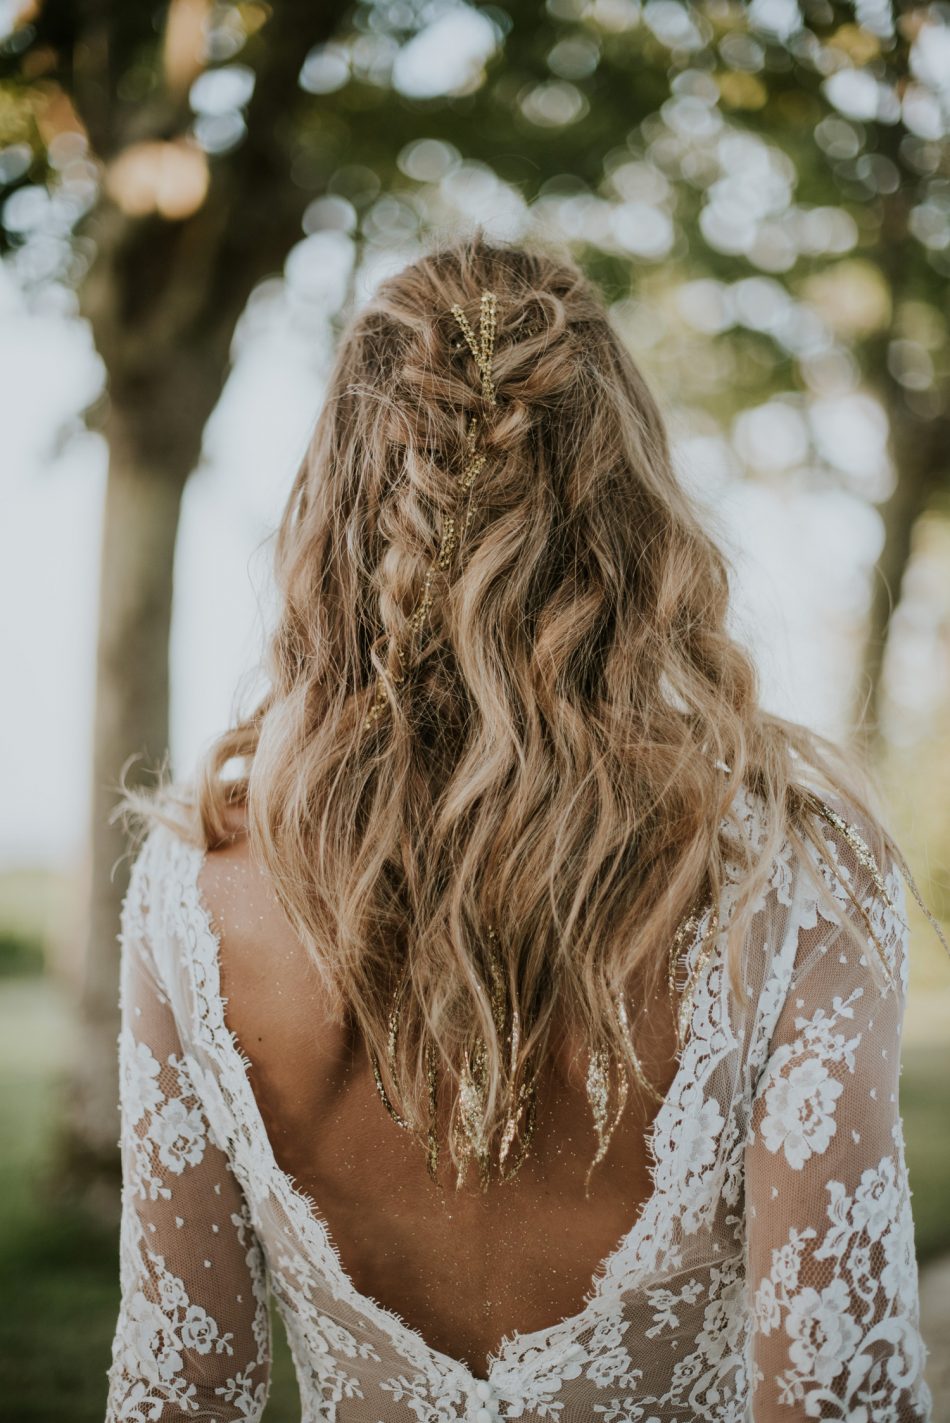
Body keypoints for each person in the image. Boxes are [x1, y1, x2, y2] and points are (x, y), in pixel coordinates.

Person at [104, 234, 944, 1422]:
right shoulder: (792, 882)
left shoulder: (193, 894)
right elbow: (832, 1403)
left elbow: (181, 1393)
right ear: (626, 516)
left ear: (337, 512)